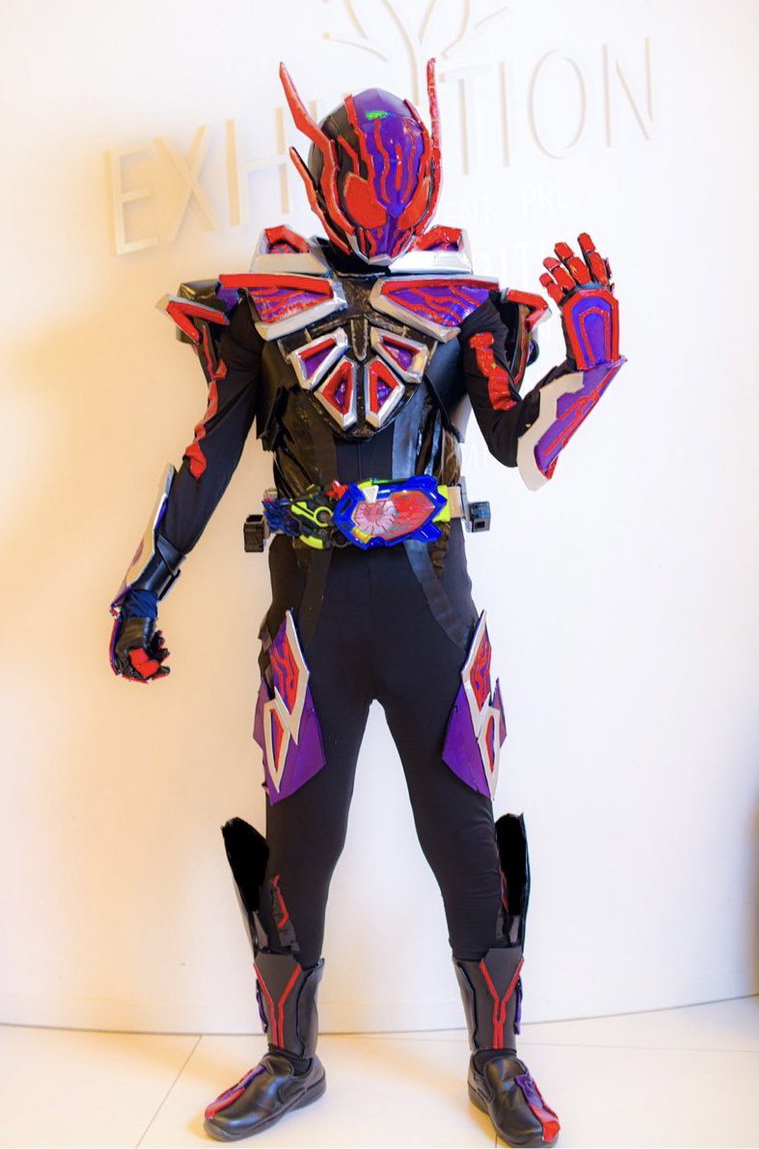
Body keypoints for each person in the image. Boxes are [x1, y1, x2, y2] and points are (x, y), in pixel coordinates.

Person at [110, 60, 623, 1147]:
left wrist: (589, 365)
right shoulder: (262, 309)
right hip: (312, 618)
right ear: (321, 174)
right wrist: (143, 588)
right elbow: (206, 459)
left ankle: (496, 1060)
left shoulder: (468, 307)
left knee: (463, 837)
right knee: (300, 843)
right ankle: (288, 1063)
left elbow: (521, 449)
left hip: (432, 616)